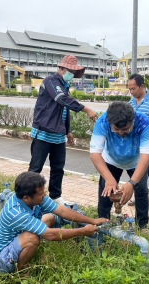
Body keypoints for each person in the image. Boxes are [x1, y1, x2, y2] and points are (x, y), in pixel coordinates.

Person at [0, 171, 108, 274]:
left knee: (49, 218)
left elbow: (62, 211)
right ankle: (21, 273)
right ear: (26, 197)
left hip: (12, 242)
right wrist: (82, 231)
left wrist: (92, 221)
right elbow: (50, 234)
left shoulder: (34, 198)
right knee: (32, 238)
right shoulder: (16, 212)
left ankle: (26, 255)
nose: (44, 195)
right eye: (40, 194)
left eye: (44, 192)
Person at [29, 55, 98, 205]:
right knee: (35, 169)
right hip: (43, 133)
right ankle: (27, 197)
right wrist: (86, 109)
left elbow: (64, 110)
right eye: (69, 71)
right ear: (61, 69)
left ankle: (55, 196)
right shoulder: (51, 81)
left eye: (73, 72)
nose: (71, 75)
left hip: (58, 135)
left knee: (58, 168)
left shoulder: (65, 87)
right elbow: (62, 100)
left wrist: (68, 131)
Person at [90, 101, 149, 232]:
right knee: (106, 190)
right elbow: (95, 154)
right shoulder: (103, 121)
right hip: (111, 159)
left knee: (141, 190)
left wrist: (132, 183)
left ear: (133, 120)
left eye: (125, 129)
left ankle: (142, 225)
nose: (120, 133)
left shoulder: (144, 122)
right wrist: (108, 178)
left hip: (136, 162)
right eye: (116, 129)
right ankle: (104, 221)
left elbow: (146, 157)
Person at [128, 74, 149, 211]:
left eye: (134, 88)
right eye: (130, 89)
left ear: (142, 86)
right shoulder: (131, 103)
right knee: (137, 172)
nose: (132, 92)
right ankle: (139, 196)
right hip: (135, 145)